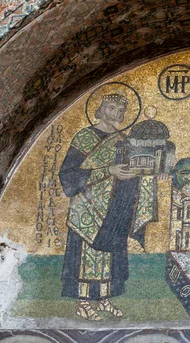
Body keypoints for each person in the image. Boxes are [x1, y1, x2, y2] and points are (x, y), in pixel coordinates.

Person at [59, 93, 144, 321]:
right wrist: (108, 171)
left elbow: (128, 170)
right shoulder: (84, 138)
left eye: (119, 110)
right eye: (111, 107)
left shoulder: (123, 141)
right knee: (87, 254)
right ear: (100, 108)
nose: (115, 113)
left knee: (109, 253)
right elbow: (68, 174)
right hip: (87, 206)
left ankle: (104, 298)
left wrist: (136, 175)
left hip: (113, 206)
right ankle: (84, 302)